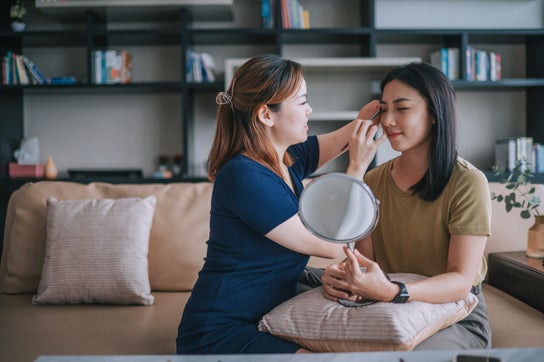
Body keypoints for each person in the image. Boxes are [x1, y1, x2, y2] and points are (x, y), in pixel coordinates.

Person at [175, 53, 386, 354]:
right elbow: (332, 246)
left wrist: (372, 118)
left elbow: (345, 136)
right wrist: (357, 167)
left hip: (266, 317)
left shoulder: (287, 159)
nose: (309, 110)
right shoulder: (243, 176)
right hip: (219, 332)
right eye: (302, 102)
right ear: (266, 115)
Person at [320, 61, 492, 350]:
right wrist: (346, 280)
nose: (388, 121)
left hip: (455, 315)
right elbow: (365, 263)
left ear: (434, 113)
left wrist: (393, 291)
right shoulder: (372, 181)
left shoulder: (468, 182)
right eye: (384, 109)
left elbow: (461, 281)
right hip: (392, 307)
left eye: (402, 108)